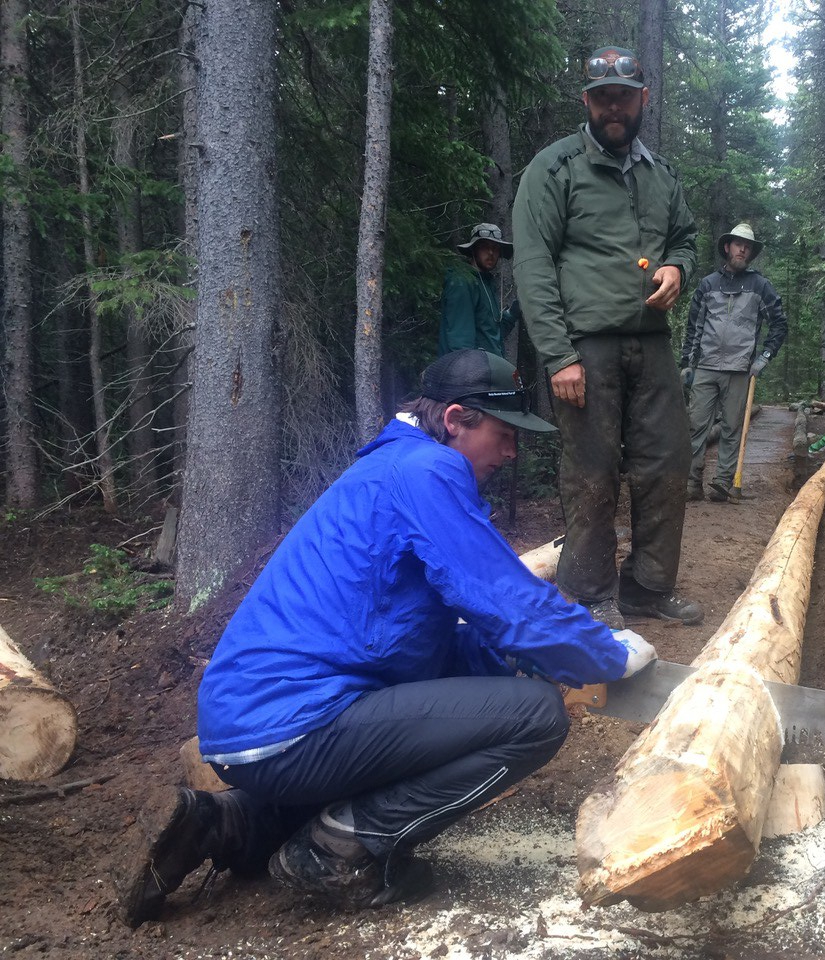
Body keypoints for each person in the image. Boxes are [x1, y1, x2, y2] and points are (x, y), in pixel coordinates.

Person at [116, 349, 657, 924]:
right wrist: (602, 653)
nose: (512, 451)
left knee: (452, 714)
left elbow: (409, 638)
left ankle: (223, 823)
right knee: (536, 717)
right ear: (455, 420)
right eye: (503, 433)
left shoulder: (391, 470)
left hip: (250, 726)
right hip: (293, 721)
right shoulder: (424, 472)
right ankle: (338, 849)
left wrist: (507, 659)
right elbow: (502, 597)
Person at [512, 45, 702, 630]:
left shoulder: (660, 173)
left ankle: (647, 587)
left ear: (643, 98)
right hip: (585, 347)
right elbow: (534, 265)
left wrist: (677, 268)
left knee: (667, 464)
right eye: (602, 99)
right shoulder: (555, 168)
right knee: (592, 471)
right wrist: (558, 355)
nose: (613, 109)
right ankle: (590, 594)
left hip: (651, 343)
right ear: (587, 102)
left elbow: (685, 239)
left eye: (623, 97)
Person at [680, 222, 788, 503]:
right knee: (696, 424)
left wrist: (764, 357)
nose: (743, 249)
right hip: (706, 366)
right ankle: (692, 482)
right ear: (727, 247)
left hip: (741, 369)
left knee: (731, 428)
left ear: (751, 252)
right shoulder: (708, 284)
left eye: (748, 246)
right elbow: (694, 327)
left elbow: (779, 324)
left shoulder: (760, 286)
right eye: (738, 244)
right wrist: (687, 363)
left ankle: (723, 482)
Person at [438, 223, 519, 356]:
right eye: (485, 247)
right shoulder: (462, 282)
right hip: (469, 371)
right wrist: (470, 371)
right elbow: (460, 342)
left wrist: (512, 314)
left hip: (487, 370)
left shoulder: (485, 283)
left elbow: (491, 335)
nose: (491, 253)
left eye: (495, 248)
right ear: (473, 250)